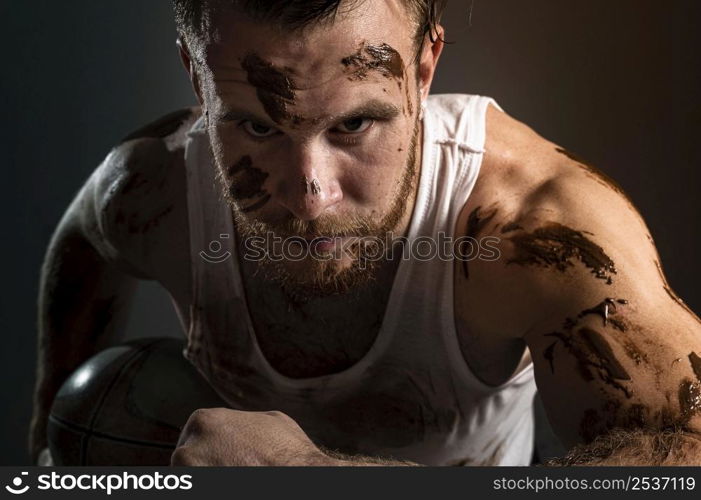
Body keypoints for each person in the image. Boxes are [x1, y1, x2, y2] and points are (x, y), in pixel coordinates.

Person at [30, 0, 701, 466]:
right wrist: (47, 419)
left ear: (423, 67)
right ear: (196, 76)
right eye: (257, 127)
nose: (309, 195)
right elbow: (86, 244)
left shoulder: (535, 228)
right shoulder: (150, 189)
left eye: (353, 125)